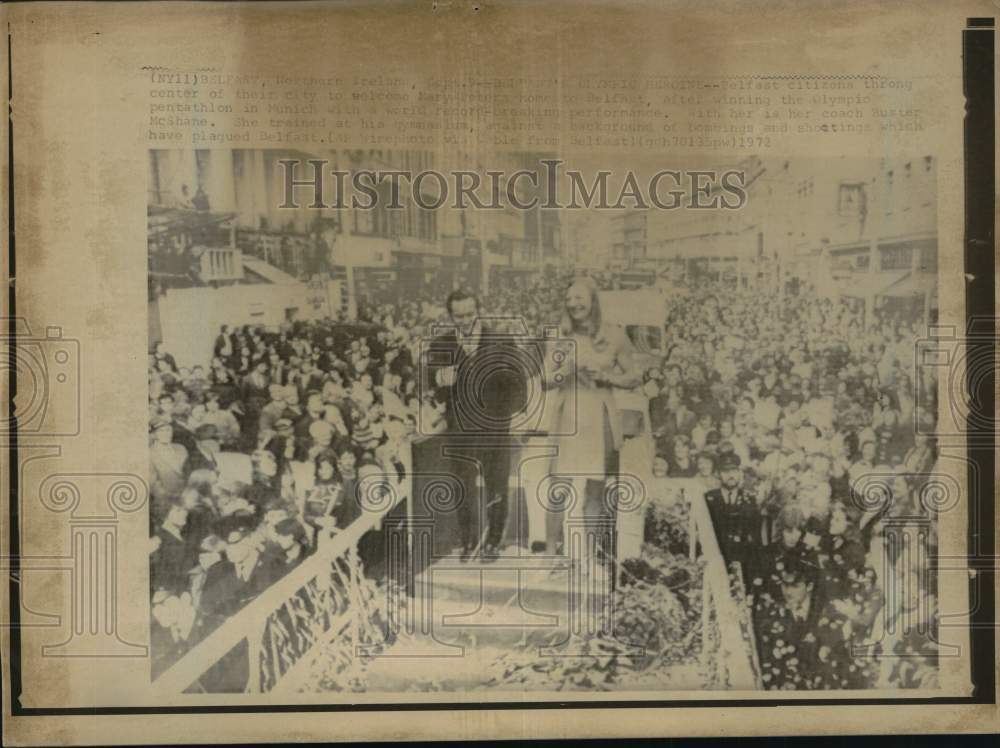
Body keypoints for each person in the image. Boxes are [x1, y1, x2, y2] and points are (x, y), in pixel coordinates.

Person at [424, 288, 528, 562]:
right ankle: (469, 539)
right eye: (459, 316)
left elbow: (518, 384)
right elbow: (431, 385)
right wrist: (438, 382)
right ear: (450, 316)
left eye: (470, 314)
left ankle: (493, 541)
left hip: (495, 426)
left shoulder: (501, 341)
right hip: (460, 429)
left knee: (497, 484)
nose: (465, 320)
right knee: (463, 485)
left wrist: (511, 416)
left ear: (479, 311)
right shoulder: (440, 345)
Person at [543, 277, 641, 565]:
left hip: (599, 417)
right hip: (567, 417)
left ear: (594, 302)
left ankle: (588, 556)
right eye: (569, 299)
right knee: (557, 488)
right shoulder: (558, 336)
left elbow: (634, 375)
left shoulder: (615, 335)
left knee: (595, 490)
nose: (574, 304)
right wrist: (567, 370)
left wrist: (606, 377)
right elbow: (546, 379)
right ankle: (550, 554)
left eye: (580, 298)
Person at [704, 452, 762, 588]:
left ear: (739, 473)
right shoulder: (709, 499)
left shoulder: (750, 499)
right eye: (726, 471)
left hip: (743, 562)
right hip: (717, 560)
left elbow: (755, 538)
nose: (730, 475)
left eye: (734, 471)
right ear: (718, 474)